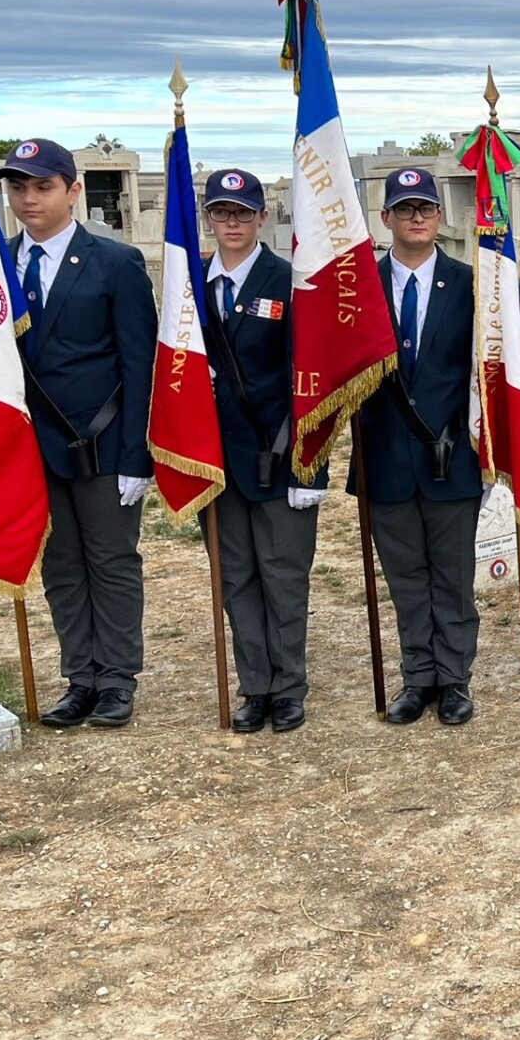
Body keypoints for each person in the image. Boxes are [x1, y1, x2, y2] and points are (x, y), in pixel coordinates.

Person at [0, 138, 157, 730]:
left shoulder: (114, 263)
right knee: (61, 565)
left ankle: (117, 680)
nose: (28, 198)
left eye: (42, 186)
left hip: (105, 443)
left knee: (111, 562)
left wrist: (138, 455)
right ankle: (80, 678)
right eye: (18, 187)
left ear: (72, 190)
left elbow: (138, 364)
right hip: (31, 448)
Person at [351, 168, 484, 728]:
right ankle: (418, 677)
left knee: (451, 578)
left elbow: (486, 372)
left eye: (425, 208)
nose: (415, 217)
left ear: (439, 216)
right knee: (405, 577)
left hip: (451, 456)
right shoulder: (357, 289)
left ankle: (454, 681)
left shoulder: (472, 284)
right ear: (386, 219)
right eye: (404, 209)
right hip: (384, 457)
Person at [199, 169, 325, 734]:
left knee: (283, 577)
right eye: (221, 213)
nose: (232, 223)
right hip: (216, 461)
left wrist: (309, 465)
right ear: (208, 218)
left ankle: (289, 687)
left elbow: (311, 380)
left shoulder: (289, 281)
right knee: (237, 579)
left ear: (262, 218)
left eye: (242, 213)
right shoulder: (189, 285)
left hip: (278, 458)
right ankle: (256, 687)